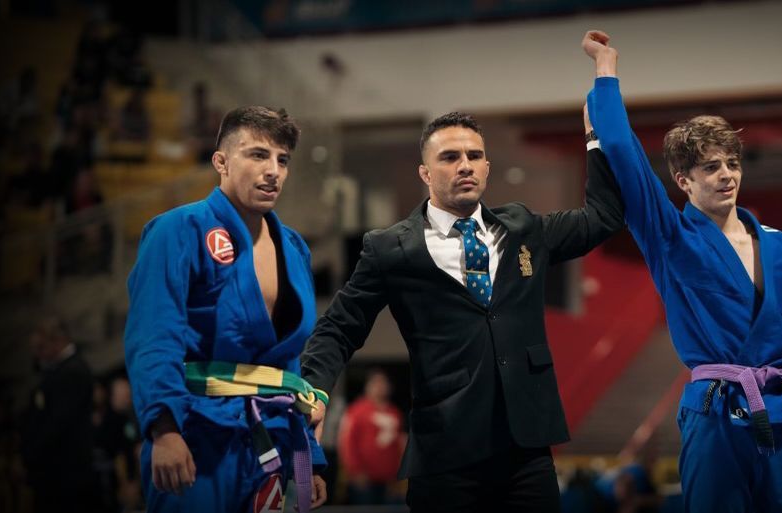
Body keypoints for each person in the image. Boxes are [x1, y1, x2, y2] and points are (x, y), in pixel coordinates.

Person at [580, 30, 782, 512]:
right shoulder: (670, 238)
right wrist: (606, 70)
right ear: (684, 181)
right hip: (716, 416)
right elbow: (626, 157)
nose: (727, 174)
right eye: (710, 167)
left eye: (732, 163)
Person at [301, 111, 625, 512]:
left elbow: (603, 216)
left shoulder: (523, 227)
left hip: (526, 451)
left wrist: (597, 135)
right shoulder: (389, 248)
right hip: (445, 456)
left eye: (474, 155)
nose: (465, 165)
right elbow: (338, 327)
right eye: (450, 157)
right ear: (425, 172)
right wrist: (314, 389)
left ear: (487, 166)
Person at [124, 106, 328, 512]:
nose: (273, 170)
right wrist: (164, 430)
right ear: (221, 161)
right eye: (257, 154)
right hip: (196, 432)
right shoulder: (178, 229)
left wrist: (308, 457)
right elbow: (154, 335)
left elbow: (286, 360)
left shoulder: (294, 247)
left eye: (282, 160)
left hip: (268, 439)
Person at [20, 315, 96, 513]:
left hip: (65, 474)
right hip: (56, 473)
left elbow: (59, 423)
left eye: (41, 348)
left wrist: (32, 452)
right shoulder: (59, 371)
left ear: (58, 341)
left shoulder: (73, 371)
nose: (38, 356)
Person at [338, 369, 405, 504]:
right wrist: (355, 471)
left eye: (383, 383)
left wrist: (399, 475)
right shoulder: (357, 410)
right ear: (368, 386)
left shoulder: (395, 413)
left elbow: (399, 445)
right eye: (376, 383)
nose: (380, 387)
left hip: (389, 481)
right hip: (363, 480)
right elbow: (347, 442)